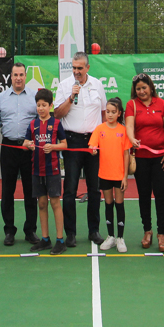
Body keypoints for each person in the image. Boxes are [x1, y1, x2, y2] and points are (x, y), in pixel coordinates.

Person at [53, 51, 107, 248]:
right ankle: (71, 233)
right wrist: (70, 97)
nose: (76, 71)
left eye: (79, 68)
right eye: (74, 68)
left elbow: (103, 112)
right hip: (72, 141)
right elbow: (57, 114)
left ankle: (94, 231)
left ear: (87, 68)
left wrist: (101, 139)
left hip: (93, 141)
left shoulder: (97, 85)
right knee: (70, 189)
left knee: (94, 189)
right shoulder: (65, 86)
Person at [0, 62, 39, 246]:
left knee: (30, 191)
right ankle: (9, 230)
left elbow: (41, 121)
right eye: (15, 75)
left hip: (29, 149)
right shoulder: (2, 97)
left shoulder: (35, 96)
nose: (18, 78)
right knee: (7, 191)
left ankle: (30, 230)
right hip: (8, 147)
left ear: (26, 76)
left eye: (21, 74)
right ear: (11, 76)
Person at [125, 72, 164, 252]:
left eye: (144, 87)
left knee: (161, 195)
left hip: (161, 158)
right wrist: (132, 139)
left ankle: (162, 233)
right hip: (141, 159)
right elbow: (129, 126)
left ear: (151, 87)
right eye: (138, 89)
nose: (141, 91)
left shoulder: (161, 104)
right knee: (144, 195)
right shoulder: (132, 105)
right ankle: (147, 230)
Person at [23, 88, 68, 255]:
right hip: (36, 170)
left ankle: (60, 240)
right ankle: (45, 239)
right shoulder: (33, 124)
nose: (41, 108)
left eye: (44, 105)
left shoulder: (56, 123)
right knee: (41, 204)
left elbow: (64, 144)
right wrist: (29, 145)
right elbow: (25, 143)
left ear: (50, 106)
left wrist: (53, 146)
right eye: (38, 105)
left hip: (53, 170)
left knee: (55, 203)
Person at [89, 98, 131, 253]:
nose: (110, 114)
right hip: (104, 174)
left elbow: (126, 154)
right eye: (108, 111)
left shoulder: (123, 130)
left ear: (119, 114)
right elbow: (93, 145)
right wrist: (93, 149)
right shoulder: (99, 129)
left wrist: (125, 176)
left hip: (119, 175)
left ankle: (120, 238)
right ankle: (111, 236)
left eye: (113, 112)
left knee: (119, 204)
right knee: (108, 203)